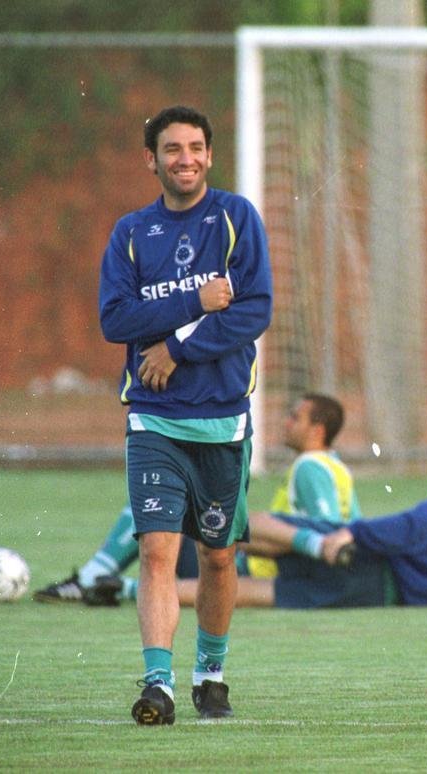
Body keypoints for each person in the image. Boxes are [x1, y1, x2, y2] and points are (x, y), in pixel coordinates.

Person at [98, 105, 273, 725]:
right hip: (153, 419)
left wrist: (176, 347)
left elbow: (254, 311)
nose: (186, 158)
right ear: (152, 160)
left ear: (210, 154)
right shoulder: (129, 234)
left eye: (196, 147)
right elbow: (115, 320)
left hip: (223, 419)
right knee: (156, 551)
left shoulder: (236, 218)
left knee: (219, 556)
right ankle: (157, 684)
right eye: (173, 149)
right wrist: (192, 300)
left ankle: (211, 673)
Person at [33, 393, 360, 605]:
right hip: (259, 570)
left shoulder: (310, 467)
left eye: (295, 417)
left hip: (249, 571)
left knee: (151, 505)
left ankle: (88, 581)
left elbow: (327, 527)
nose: (285, 422)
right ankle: (105, 584)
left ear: (318, 429)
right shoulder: (336, 467)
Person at [165, 440, 427, 610]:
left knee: (254, 524)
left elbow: (415, 528)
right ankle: (137, 591)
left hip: (371, 555)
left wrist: (353, 532)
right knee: (267, 592)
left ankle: (170, 546)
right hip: (384, 597)